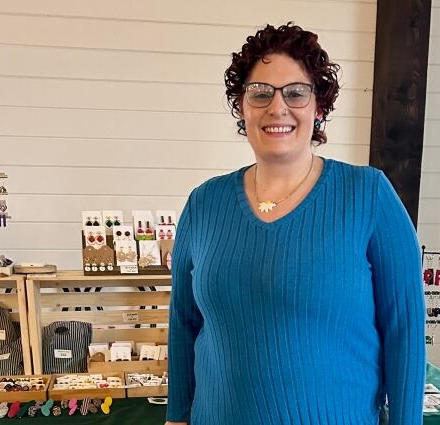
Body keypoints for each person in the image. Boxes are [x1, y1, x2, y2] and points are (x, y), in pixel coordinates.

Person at [166, 23, 425, 425]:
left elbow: (404, 328)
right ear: (241, 106)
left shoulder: (368, 196)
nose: (277, 107)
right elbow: (183, 320)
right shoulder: (204, 203)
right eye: (260, 93)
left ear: (319, 107)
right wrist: (176, 416)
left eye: (296, 93)